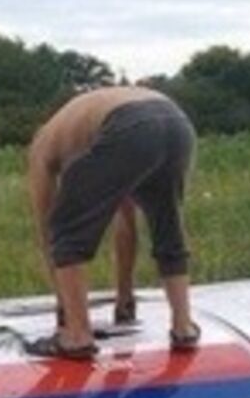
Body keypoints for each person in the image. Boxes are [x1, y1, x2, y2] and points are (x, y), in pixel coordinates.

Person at [26, 86, 200, 360]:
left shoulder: (42, 147)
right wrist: (124, 299)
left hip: (128, 125)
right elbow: (126, 223)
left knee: (65, 229)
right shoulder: (88, 123)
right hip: (176, 122)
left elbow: (48, 229)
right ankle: (184, 327)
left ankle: (77, 336)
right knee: (167, 222)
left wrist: (64, 307)